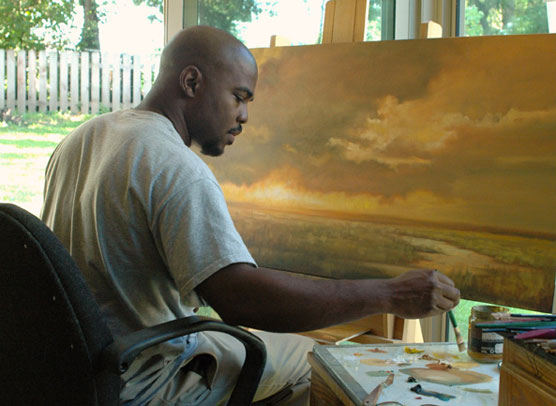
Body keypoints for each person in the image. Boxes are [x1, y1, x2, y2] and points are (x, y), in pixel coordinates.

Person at [41, 26, 460, 406]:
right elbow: (242, 301)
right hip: (146, 380)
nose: (244, 117)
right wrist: (388, 295)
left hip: (74, 370)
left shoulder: (81, 139)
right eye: (239, 97)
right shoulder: (174, 166)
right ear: (191, 82)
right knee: (318, 364)